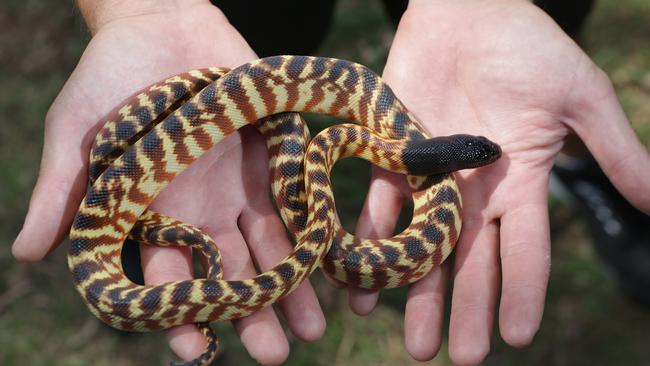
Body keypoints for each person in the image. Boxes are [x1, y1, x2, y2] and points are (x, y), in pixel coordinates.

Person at [10, 0, 650, 365]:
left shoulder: (357, 133)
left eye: (471, 159)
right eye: (468, 157)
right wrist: (143, 10)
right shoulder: (343, 137)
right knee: (277, 23)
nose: (474, 162)